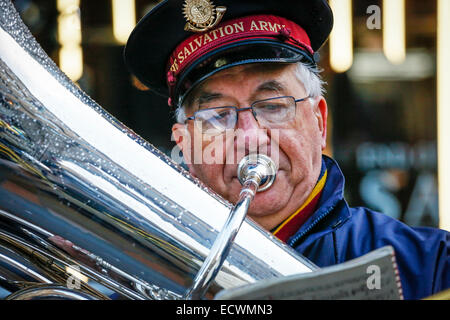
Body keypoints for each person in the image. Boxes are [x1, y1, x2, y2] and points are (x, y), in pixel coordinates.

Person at [124, 0, 449, 299]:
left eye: (273, 106)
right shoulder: (141, 281)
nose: (249, 137)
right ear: (186, 145)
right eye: (218, 115)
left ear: (320, 123)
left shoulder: (434, 266)